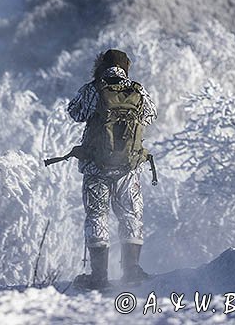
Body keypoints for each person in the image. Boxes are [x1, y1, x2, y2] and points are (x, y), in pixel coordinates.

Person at [67, 48, 157, 290]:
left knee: (97, 216)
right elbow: (150, 116)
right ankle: (131, 271)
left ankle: (98, 278)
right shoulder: (137, 90)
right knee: (130, 215)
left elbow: (75, 112)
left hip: (96, 166)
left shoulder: (93, 89)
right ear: (126, 66)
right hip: (128, 168)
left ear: (101, 65)